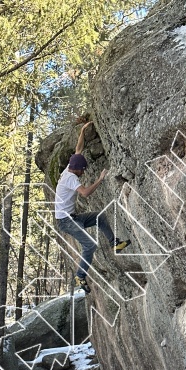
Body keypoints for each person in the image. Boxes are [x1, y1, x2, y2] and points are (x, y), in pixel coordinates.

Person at [55, 121, 130, 293]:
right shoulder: (71, 178)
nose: (83, 172)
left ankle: (114, 243)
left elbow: (78, 150)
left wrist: (82, 131)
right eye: (83, 170)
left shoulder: (70, 167)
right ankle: (80, 276)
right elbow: (85, 193)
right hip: (66, 221)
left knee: (99, 217)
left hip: (70, 217)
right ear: (78, 169)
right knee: (90, 245)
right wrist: (100, 179)